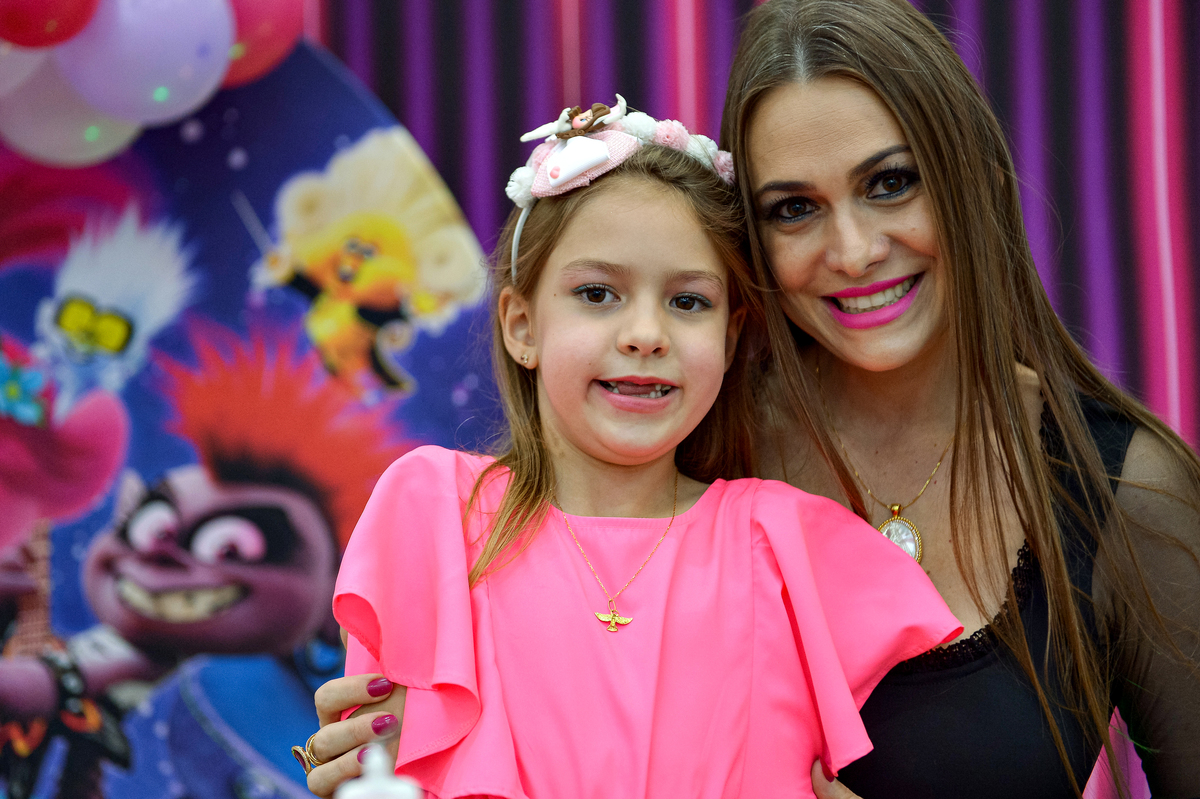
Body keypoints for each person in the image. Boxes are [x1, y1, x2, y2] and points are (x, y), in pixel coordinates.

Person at [309, 1, 1200, 796]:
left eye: (891, 182)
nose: (853, 250)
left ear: (976, 182)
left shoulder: (1124, 487)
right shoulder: (685, 426)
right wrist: (384, 760)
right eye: (792, 208)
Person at [292, 100, 961, 798]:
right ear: (521, 324)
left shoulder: (789, 541)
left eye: (688, 302)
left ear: (730, 337)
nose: (646, 334)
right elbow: (379, 764)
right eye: (598, 293)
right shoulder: (436, 515)